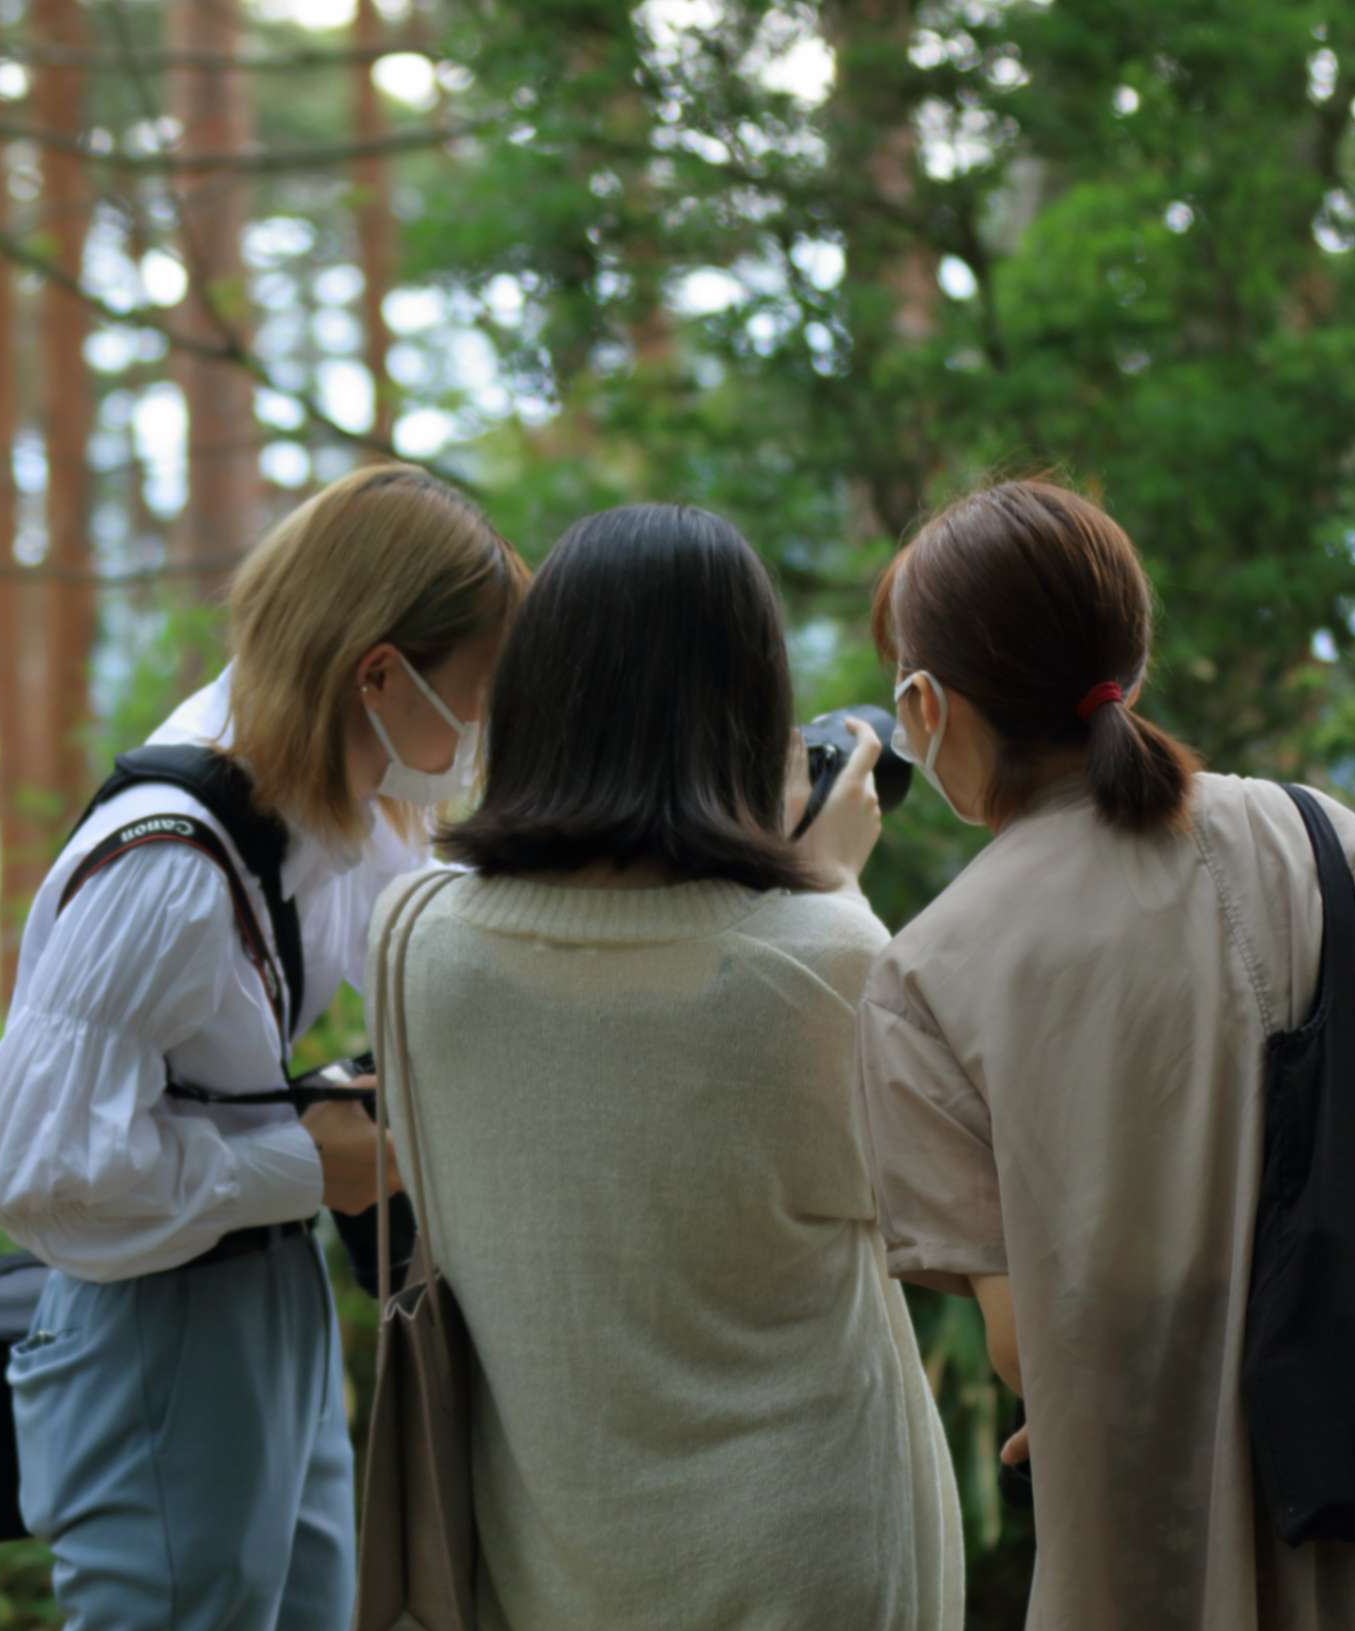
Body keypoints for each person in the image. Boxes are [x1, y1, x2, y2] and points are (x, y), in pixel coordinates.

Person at [854, 478, 1355, 1629]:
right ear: (1128, 658)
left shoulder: (924, 973)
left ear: (927, 707)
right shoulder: (1324, 838)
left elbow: (1031, 1338)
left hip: (1165, 1514)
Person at [0, 464, 529, 1631]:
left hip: (263, 1293)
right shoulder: (170, 867)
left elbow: (438, 953)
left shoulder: (335, 793)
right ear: (380, 671)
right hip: (151, 1325)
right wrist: (307, 1164)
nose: (477, 730)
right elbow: (18, 1166)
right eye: (474, 692)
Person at [366, 504, 964, 1631]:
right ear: (747, 707)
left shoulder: (412, 936)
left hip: (540, 1558)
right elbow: (925, 1210)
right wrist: (825, 888)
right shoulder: (825, 957)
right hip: (806, 1557)